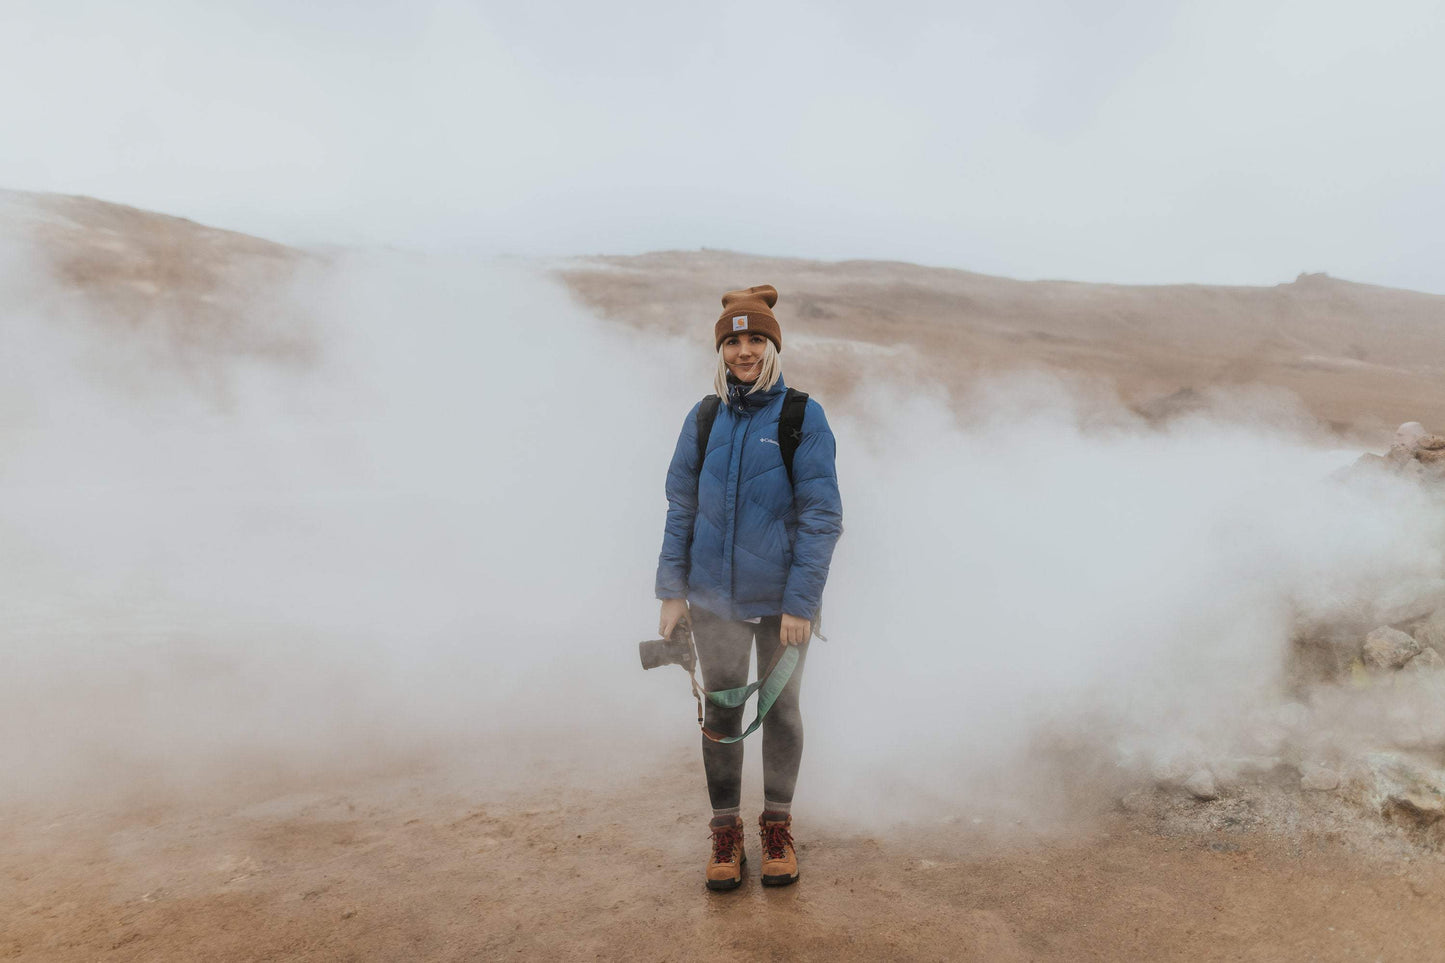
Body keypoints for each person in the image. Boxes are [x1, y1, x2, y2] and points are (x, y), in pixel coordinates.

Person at [655, 284, 843, 891]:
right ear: (720, 350)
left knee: (782, 708)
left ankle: (778, 828)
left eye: (755, 339)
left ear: (773, 346)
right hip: (712, 599)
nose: (744, 350)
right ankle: (726, 835)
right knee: (723, 710)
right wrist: (672, 591)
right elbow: (680, 506)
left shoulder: (800, 416)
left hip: (782, 603)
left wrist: (801, 603)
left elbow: (821, 516)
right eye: (733, 340)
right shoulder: (704, 417)